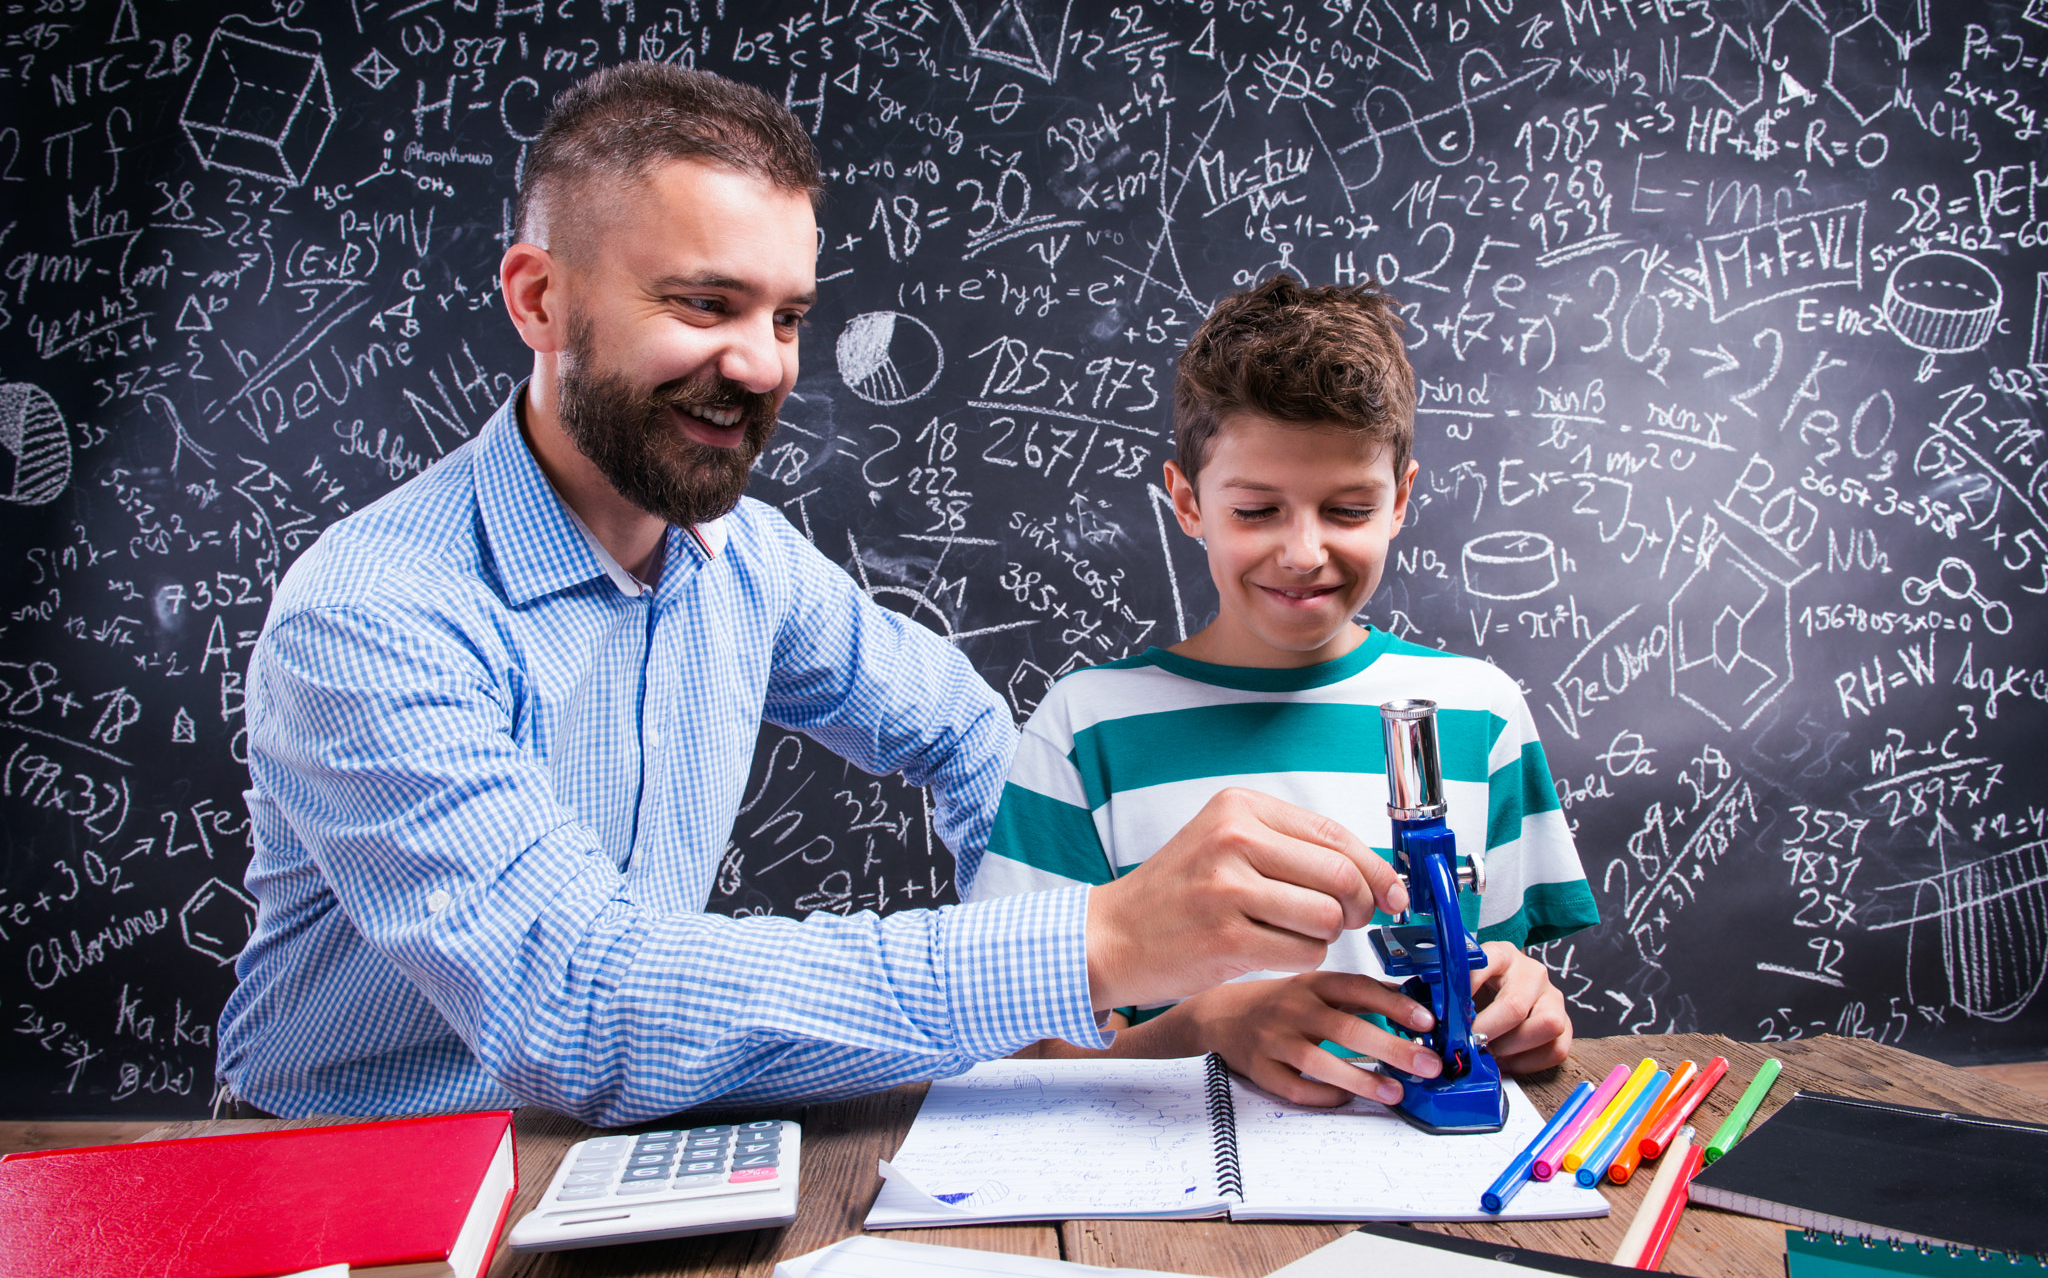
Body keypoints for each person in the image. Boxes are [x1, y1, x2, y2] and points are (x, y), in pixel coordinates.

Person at [214, 65, 1414, 1125]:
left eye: (786, 316)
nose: (759, 365)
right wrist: (1090, 939)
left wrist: (1095, 973)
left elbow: (955, 727)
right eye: (702, 303)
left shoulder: (746, 559)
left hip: (627, 1157)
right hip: (351, 1177)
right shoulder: (373, 616)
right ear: (538, 299)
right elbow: (579, 1004)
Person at [968, 275, 1600, 1107]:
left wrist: (1528, 1009)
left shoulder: (1479, 713)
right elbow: (1022, 1048)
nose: (1303, 552)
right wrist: (1203, 1027)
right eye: (1258, 509)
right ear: (1189, 503)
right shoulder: (1087, 728)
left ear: (1401, 500)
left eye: (1346, 508)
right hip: (1177, 1201)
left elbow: (1498, 974)